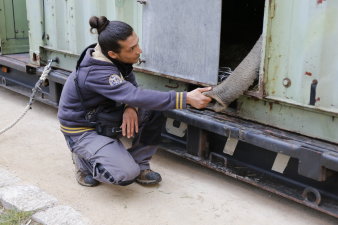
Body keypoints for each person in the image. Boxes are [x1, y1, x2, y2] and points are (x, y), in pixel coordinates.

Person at [57, 16, 212, 187]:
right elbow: (134, 94)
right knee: (125, 174)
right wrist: (186, 98)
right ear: (113, 54)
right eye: (132, 48)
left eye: (137, 43)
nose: (139, 51)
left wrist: (130, 106)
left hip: (103, 117)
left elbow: (132, 89)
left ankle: (140, 163)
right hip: (83, 129)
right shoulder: (96, 72)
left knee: (153, 109)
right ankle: (84, 161)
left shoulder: (114, 58)